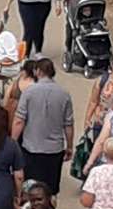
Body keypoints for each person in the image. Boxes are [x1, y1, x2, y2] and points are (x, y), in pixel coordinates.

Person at [13, 58, 73, 197]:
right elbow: (68, 124)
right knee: (51, 189)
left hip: (31, 148)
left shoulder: (29, 92)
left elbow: (19, 120)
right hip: (55, 149)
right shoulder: (64, 94)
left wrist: (13, 141)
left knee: (31, 187)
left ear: (37, 71)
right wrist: (69, 146)